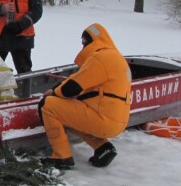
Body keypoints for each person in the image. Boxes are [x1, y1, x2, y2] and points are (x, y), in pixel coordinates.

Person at [37, 23, 131, 170]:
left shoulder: (100, 58)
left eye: (84, 42)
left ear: (91, 41)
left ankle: (62, 157)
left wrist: (53, 93)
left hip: (103, 119)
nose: (82, 47)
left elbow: (71, 88)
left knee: (48, 105)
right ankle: (103, 147)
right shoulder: (115, 57)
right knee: (71, 114)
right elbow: (82, 80)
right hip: (117, 120)